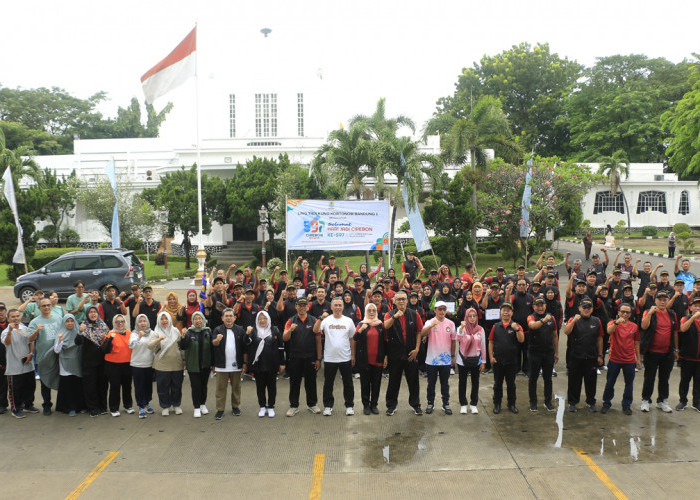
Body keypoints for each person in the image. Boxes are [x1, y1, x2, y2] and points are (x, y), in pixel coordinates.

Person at [384, 291, 425, 416]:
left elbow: (419, 331)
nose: (401, 301)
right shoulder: (389, 314)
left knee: (413, 380)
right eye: (399, 299)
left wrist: (417, 348)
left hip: (410, 353)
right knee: (394, 381)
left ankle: (415, 405)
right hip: (395, 353)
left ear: (407, 301)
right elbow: (385, 326)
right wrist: (395, 316)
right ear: (394, 301)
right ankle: (391, 406)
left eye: (403, 299)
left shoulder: (414, 314)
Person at [314, 297, 356, 416]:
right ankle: (328, 406)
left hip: (345, 357)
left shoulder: (348, 321)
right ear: (331, 307)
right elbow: (315, 330)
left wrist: (353, 355)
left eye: (340, 305)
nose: (338, 307)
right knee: (328, 383)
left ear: (343, 307)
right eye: (335, 305)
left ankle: (349, 406)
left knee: (348, 383)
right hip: (330, 358)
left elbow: (352, 338)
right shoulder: (326, 320)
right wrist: (320, 318)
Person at [639, 291, 678, 413]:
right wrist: (650, 313)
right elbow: (644, 326)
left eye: (664, 299)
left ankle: (662, 401)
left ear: (668, 301)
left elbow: (676, 331)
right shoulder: (649, 312)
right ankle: (646, 400)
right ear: (655, 301)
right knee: (649, 377)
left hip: (667, 353)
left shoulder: (672, 314)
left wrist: (676, 349)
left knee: (664, 378)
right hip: (652, 352)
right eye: (660, 299)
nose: (662, 302)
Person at [564, 298, 604, 412]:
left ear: (592, 309)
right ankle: (572, 403)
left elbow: (600, 338)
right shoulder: (574, 319)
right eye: (584, 307)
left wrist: (600, 355)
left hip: (591, 357)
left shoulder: (596, 321)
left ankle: (591, 402)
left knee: (591, 382)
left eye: (589, 307)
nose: (586, 309)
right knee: (574, 381)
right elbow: (566, 332)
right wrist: (573, 321)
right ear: (580, 308)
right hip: (575, 356)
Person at [283, 298, 322, 416]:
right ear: (296, 307)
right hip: (295, 357)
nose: (302, 307)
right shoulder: (291, 320)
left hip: (310, 356)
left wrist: (319, 359)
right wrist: (290, 330)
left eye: (304, 305)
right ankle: (293, 406)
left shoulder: (314, 320)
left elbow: (318, 341)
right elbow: (285, 338)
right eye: (300, 305)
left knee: (311, 382)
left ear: (308, 307)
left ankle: (312, 404)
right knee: (294, 382)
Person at [601, 303, 640, 415]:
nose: (625, 314)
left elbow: (636, 343)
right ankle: (606, 403)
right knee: (610, 383)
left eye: (627, 312)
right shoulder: (612, 323)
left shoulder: (634, 326)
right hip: (614, 359)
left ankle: (626, 405)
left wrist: (638, 359)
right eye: (622, 311)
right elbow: (609, 331)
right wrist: (616, 323)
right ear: (618, 312)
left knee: (629, 384)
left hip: (629, 360)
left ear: (630, 314)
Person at [419, 301, 456, 415]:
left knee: (445, 383)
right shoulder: (430, 322)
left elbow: (453, 341)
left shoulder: (450, 323)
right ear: (435, 310)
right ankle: (430, 403)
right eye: (439, 309)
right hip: (432, 360)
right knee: (431, 383)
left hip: (445, 360)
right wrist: (431, 325)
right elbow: (422, 333)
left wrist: (453, 356)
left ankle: (446, 404)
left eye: (444, 309)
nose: (442, 311)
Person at [246, 311, 284, 418]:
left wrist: (282, 363)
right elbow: (247, 343)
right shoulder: (254, 331)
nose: (262, 321)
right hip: (258, 364)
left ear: (268, 319)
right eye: (260, 319)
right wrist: (247, 333)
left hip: (272, 364)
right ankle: (262, 406)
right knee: (260, 387)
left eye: (264, 318)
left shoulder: (274, 330)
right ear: (257, 320)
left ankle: (271, 406)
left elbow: (281, 347)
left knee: (272, 386)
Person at [28, 297, 62, 416]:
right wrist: (36, 331)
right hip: (43, 358)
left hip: (57, 356)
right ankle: (47, 405)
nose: (47, 307)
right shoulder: (35, 322)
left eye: (48, 305)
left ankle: (62, 404)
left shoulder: (58, 318)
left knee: (60, 381)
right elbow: (30, 339)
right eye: (44, 306)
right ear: (39, 308)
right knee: (45, 383)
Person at [489, 302, 524, 414]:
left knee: (511, 384)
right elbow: (491, 342)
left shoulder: (516, 326)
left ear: (512, 313)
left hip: (512, 361)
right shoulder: (496, 326)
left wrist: (517, 330)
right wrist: (491, 357)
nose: (506, 312)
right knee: (497, 384)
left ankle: (511, 404)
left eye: (508, 310)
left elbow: (521, 340)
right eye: (504, 310)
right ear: (501, 313)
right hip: (498, 360)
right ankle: (497, 404)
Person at [212, 308, 247, 419]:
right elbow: (213, 344)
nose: (228, 318)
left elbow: (244, 347)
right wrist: (217, 340)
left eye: (230, 316)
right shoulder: (217, 330)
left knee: (236, 388)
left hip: (236, 365)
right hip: (222, 365)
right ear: (222, 318)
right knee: (220, 389)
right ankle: (220, 409)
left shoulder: (240, 330)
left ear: (234, 318)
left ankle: (235, 407)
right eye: (226, 316)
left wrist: (245, 363)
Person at [2, 309, 38, 418]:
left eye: (17, 316)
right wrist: (10, 331)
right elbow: (7, 343)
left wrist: (31, 353)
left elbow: (30, 341)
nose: (16, 318)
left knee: (30, 387)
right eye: (13, 317)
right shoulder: (5, 332)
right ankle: (15, 409)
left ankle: (28, 405)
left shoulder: (24, 328)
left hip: (28, 364)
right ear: (8, 319)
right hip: (14, 367)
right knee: (15, 390)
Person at [149, 312, 185, 417]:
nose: (164, 321)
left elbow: (180, 346)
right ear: (159, 321)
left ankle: (176, 405)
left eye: (166, 319)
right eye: (162, 319)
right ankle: (165, 406)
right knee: (163, 387)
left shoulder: (175, 331)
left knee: (177, 386)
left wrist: (184, 359)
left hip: (176, 363)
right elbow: (150, 346)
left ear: (170, 320)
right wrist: (159, 339)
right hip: (162, 364)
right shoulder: (156, 333)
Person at [75, 305, 109, 417]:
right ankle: (93, 408)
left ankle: (103, 406)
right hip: (89, 362)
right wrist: (80, 331)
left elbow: (108, 342)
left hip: (102, 361)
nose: (93, 314)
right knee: (90, 385)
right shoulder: (84, 326)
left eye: (95, 312)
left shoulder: (103, 326)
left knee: (103, 384)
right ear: (87, 314)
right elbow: (78, 342)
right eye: (91, 312)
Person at [354, 303, 387, 415]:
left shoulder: (380, 325)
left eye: (373, 310)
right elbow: (355, 338)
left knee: (376, 384)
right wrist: (361, 329)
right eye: (369, 311)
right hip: (364, 360)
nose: (372, 313)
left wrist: (386, 357)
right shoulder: (361, 324)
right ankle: (366, 405)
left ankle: (374, 404)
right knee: (365, 384)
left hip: (378, 359)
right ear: (366, 312)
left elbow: (385, 342)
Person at [527, 297, 558, 412]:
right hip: (535, 352)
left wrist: (557, 353)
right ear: (534, 307)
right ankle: (533, 402)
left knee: (548, 378)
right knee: (533, 378)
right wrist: (543, 320)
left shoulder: (552, 318)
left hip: (548, 352)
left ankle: (548, 402)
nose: (540, 307)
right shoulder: (531, 317)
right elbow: (532, 326)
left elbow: (555, 336)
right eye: (537, 305)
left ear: (545, 306)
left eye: (542, 305)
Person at [179, 311, 213, 418]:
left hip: (205, 364)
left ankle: (203, 404)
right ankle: (196, 407)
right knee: (195, 386)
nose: (198, 321)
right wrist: (183, 338)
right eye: (196, 319)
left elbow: (212, 348)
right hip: (193, 365)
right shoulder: (189, 332)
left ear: (203, 320)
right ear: (192, 321)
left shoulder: (208, 331)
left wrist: (213, 364)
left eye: (200, 318)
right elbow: (183, 347)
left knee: (204, 386)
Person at [455, 307, 485, 414]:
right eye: (470, 316)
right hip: (462, 360)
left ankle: (473, 404)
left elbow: (483, 346)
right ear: (466, 317)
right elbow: (457, 339)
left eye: (474, 316)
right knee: (462, 382)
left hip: (476, 360)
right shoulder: (461, 328)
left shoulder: (480, 329)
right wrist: (462, 329)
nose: (472, 318)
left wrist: (484, 362)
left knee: (475, 382)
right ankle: (463, 404)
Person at [102, 314, 133, 417]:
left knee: (127, 386)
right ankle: (114, 408)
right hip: (113, 365)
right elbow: (105, 350)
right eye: (117, 322)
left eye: (122, 321)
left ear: (125, 322)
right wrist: (110, 339)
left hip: (127, 364)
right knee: (115, 387)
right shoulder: (110, 334)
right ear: (114, 323)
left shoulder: (130, 333)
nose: (120, 324)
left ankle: (128, 405)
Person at [129, 314, 156, 419]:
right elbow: (131, 345)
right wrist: (139, 337)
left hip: (149, 364)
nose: (143, 323)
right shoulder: (134, 334)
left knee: (148, 386)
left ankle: (147, 402)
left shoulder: (152, 333)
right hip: (137, 364)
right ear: (137, 323)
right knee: (139, 386)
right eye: (140, 321)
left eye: (144, 321)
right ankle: (141, 406)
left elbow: (155, 347)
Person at [677, 298, 700, 411]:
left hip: (699, 359)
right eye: (695, 306)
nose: (698, 308)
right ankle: (683, 401)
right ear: (691, 308)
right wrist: (693, 318)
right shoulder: (685, 318)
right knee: (685, 380)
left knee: (698, 382)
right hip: (687, 357)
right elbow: (683, 328)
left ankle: (696, 402)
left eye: (699, 306)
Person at [0, 303, 8, 414]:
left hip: (12, 360)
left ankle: (19, 403)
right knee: (1, 385)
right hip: (1, 361)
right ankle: (1, 404)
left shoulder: (11, 324)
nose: (0, 312)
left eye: (2, 309)